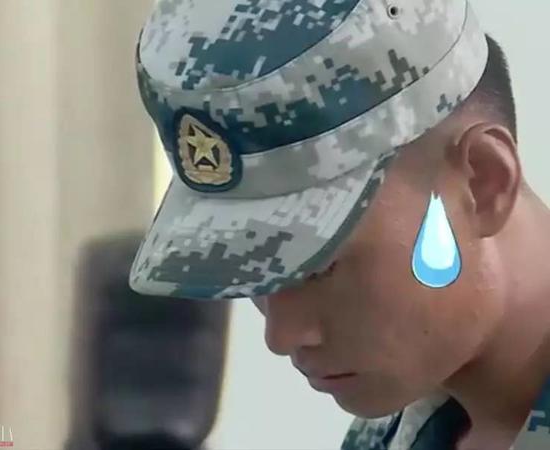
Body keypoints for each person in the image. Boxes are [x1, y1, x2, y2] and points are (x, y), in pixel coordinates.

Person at [128, 0, 550, 448]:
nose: (281, 336)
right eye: (253, 273)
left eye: (318, 267)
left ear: (483, 183)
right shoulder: (395, 433)